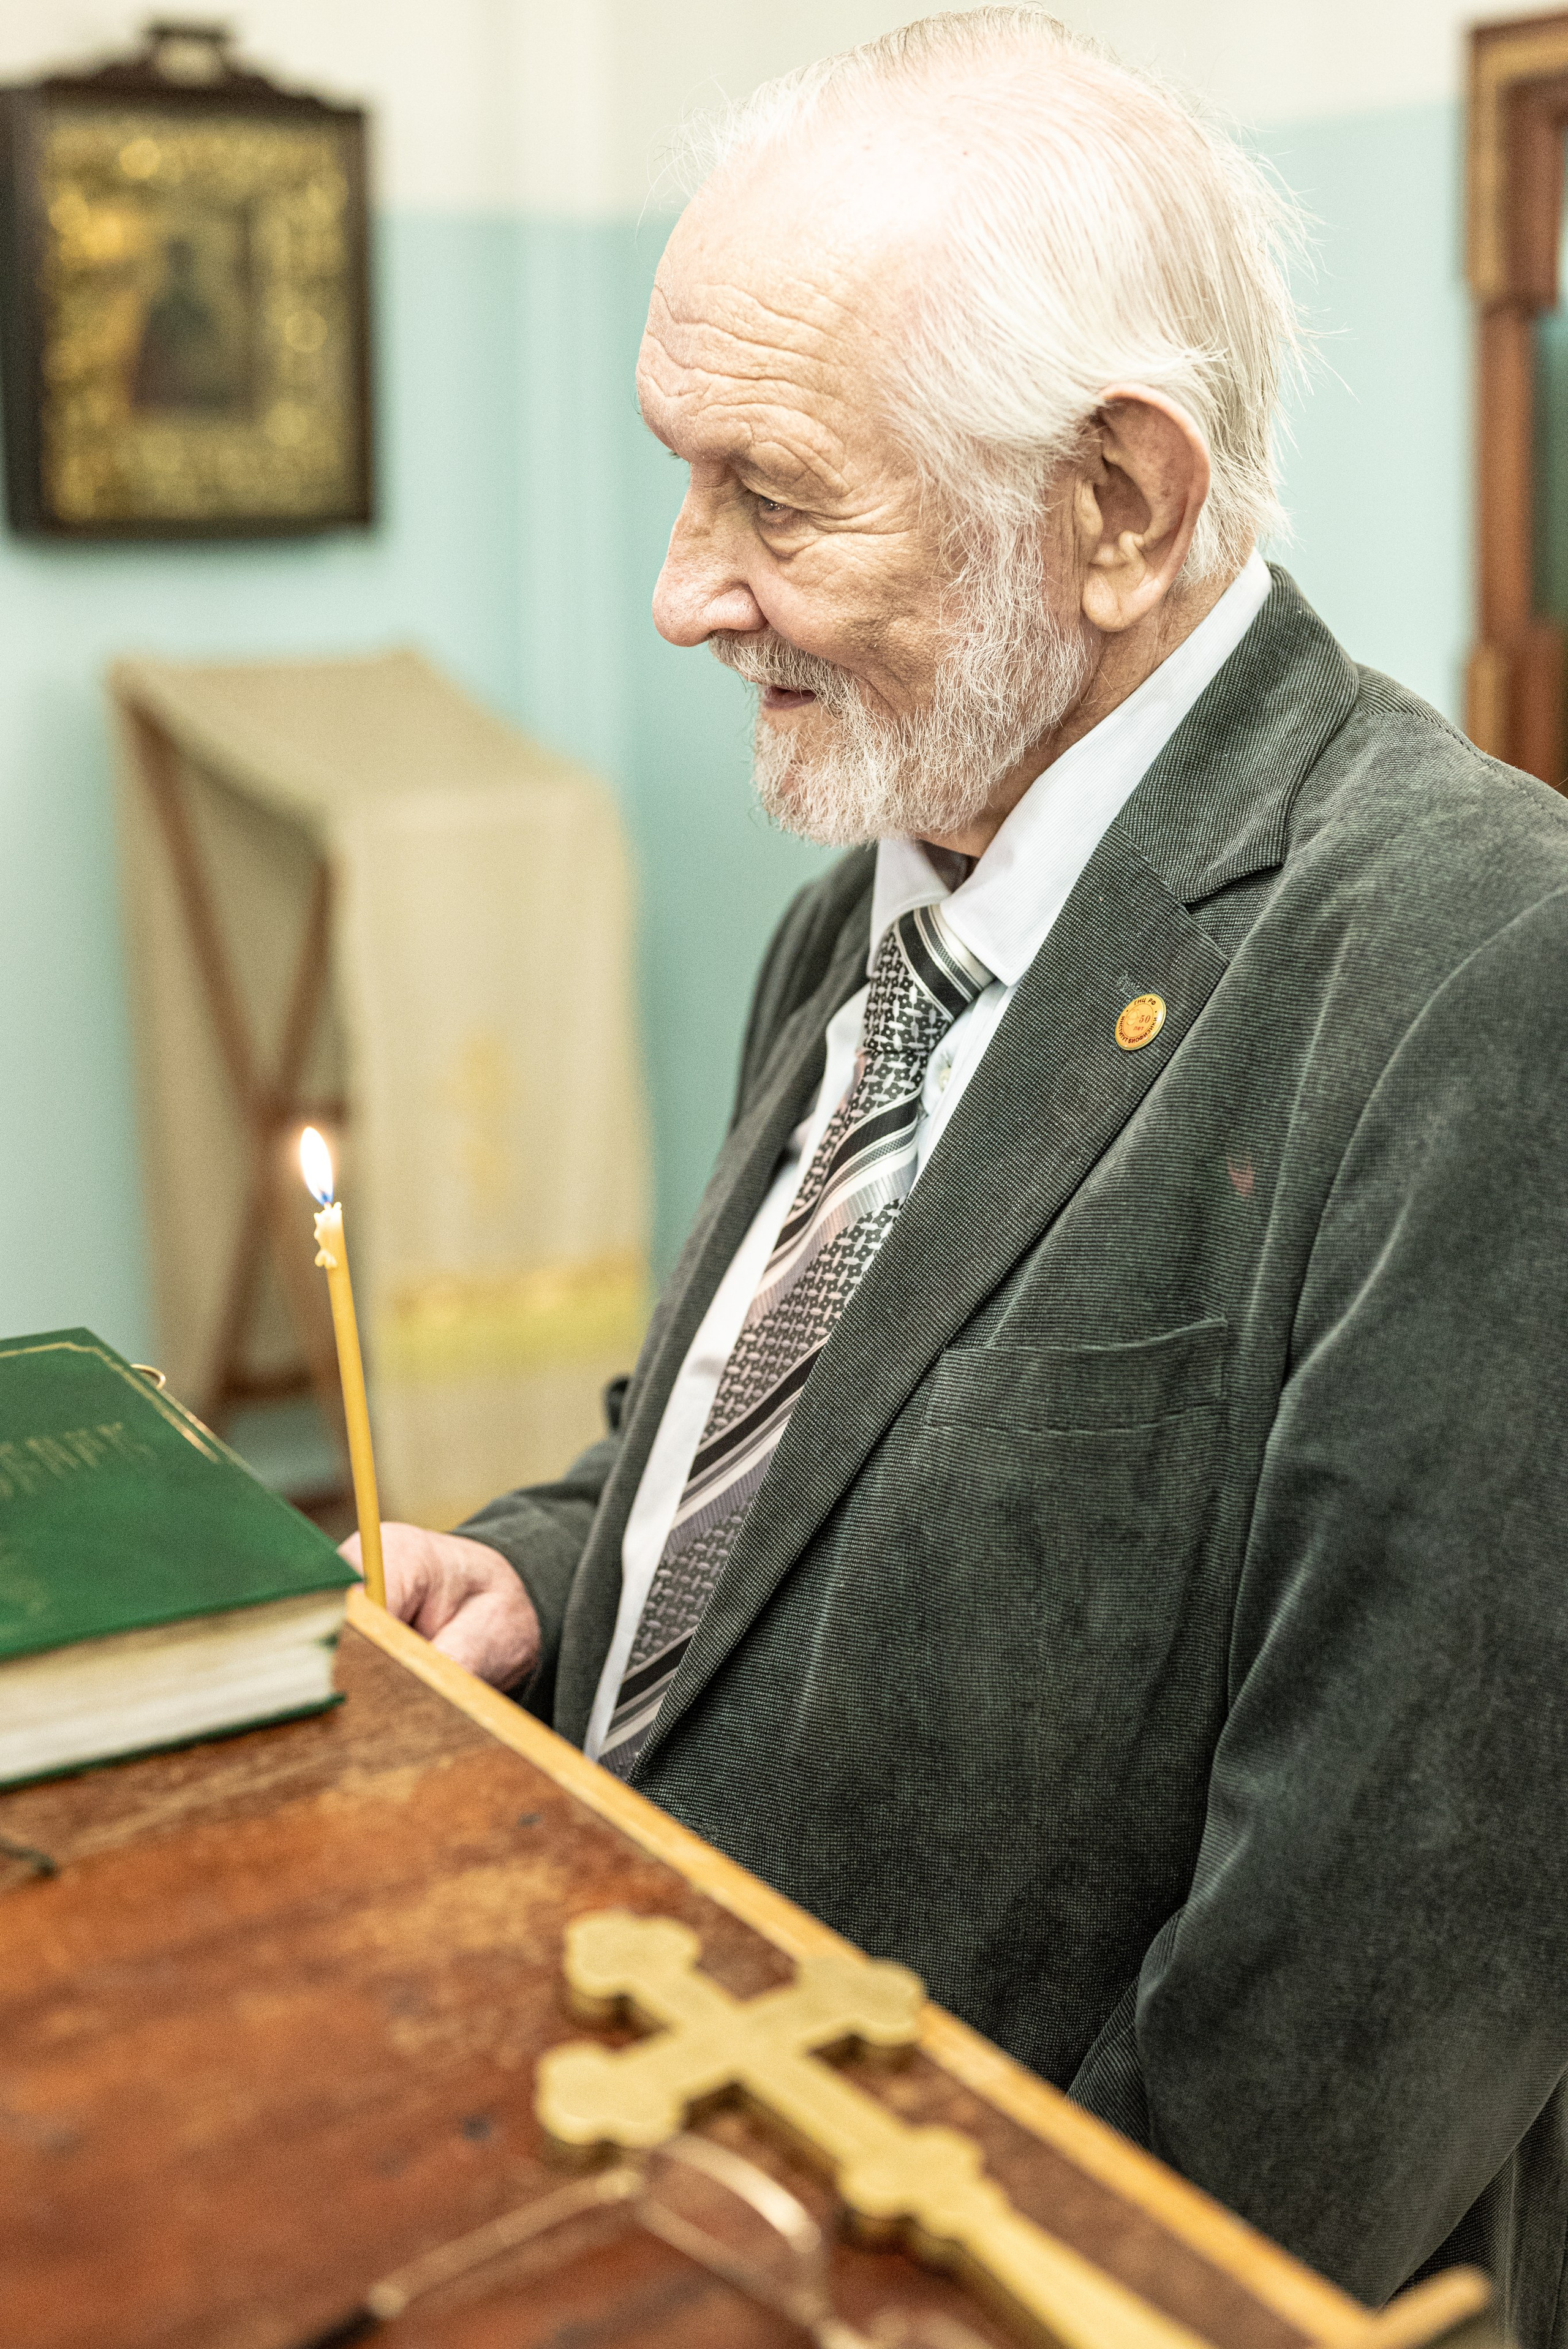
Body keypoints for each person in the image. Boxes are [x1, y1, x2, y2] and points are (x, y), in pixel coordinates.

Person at [346, 12, 1568, 2333]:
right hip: (670, 2158)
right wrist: (543, 1576)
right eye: (683, 479)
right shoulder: (877, 895)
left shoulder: (1484, 970)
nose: (683, 590)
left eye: (775, 498)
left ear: (1120, 504)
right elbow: (777, 1449)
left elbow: (1365, 2002)